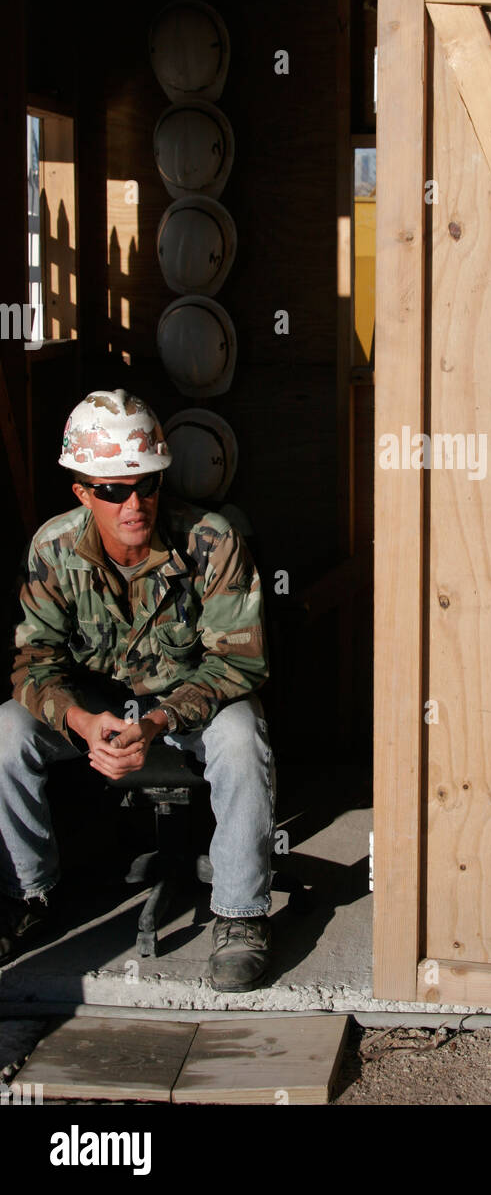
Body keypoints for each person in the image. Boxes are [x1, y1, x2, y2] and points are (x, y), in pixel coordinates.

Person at [0, 389, 274, 991]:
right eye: (113, 490)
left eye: (146, 485)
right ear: (83, 493)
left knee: (241, 733)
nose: (134, 503)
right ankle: (29, 894)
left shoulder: (211, 540)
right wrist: (77, 720)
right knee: (8, 730)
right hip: (93, 709)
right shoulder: (52, 548)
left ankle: (241, 913)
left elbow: (240, 662)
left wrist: (158, 723)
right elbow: (33, 662)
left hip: (183, 707)